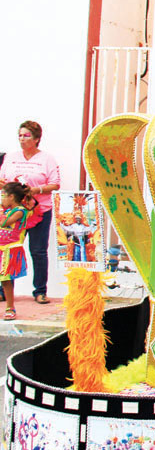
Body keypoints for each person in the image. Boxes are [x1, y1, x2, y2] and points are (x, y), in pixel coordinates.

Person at [0, 121, 60, 303]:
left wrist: (35, 190)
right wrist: (13, 189)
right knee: (6, 249)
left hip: (38, 210)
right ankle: (4, 291)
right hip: (14, 211)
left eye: (26, 136)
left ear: (36, 139)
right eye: (19, 135)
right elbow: (2, 179)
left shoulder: (47, 159)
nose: (22, 139)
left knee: (38, 251)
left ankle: (40, 291)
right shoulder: (11, 156)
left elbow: (55, 183)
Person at [0, 182, 32, 320]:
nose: (2, 199)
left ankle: (10, 307)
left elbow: (3, 223)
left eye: (3, 196)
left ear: (11, 196)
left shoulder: (20, 211)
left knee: (6, 280)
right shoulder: (5, 209)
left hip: (10, 249)